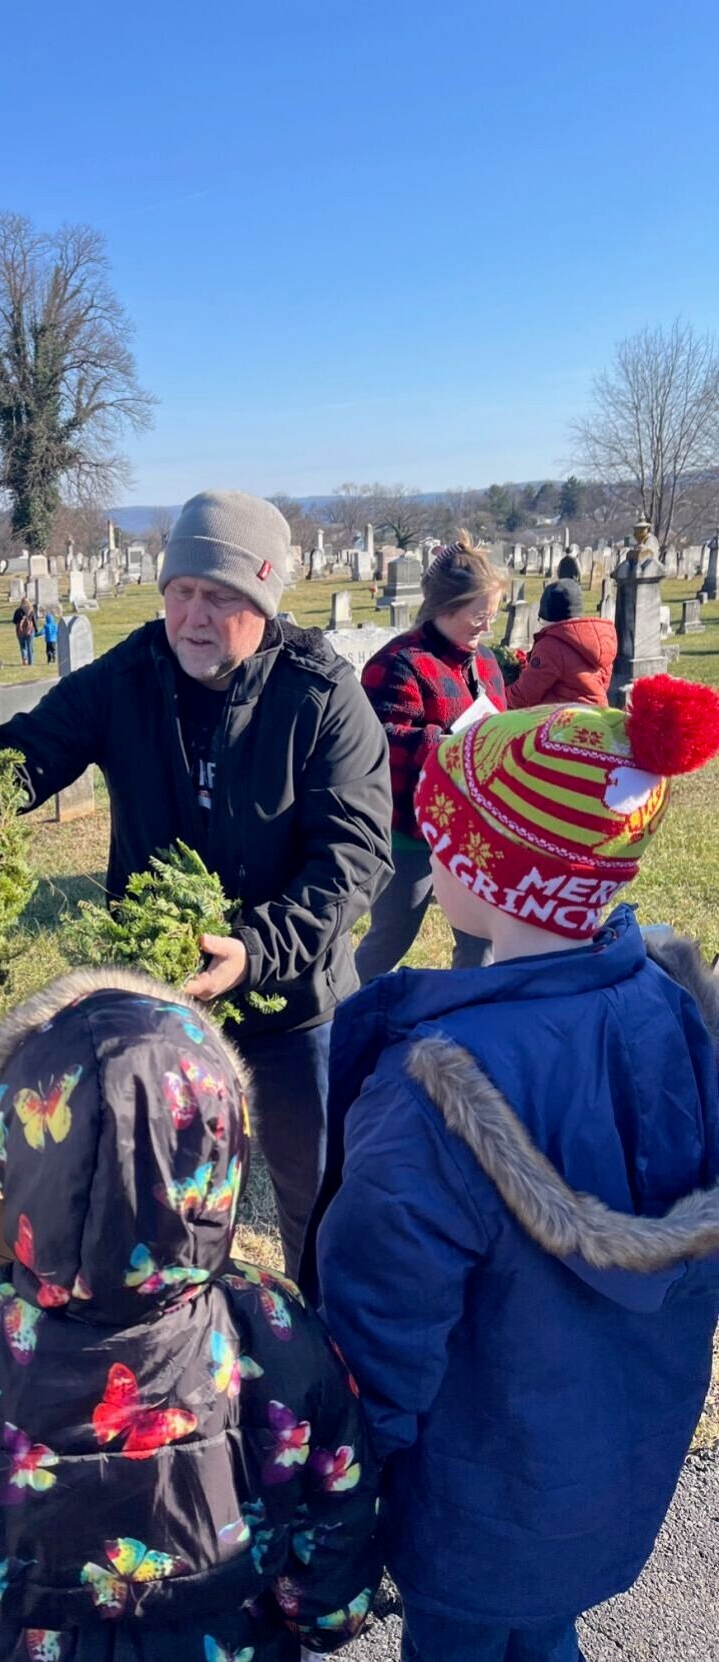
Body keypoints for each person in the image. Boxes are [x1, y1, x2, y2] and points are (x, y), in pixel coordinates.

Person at [315, 677, 719, 1662]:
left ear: (487, 868)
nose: (433, 844)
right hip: (607, 1476)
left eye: (446, 832)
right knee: (541, 1632)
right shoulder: (673, 1015)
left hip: (469, 1501)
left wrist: (333, 1511)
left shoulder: (433, 1093)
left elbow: (376, 1341)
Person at [0, 491, 392, 1281]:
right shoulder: (129, 678)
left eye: (221, 596)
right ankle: (181, 1337)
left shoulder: (320, 697)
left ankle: (314, 1345)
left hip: (290, 1003)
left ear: (265, 601)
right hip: (160, 999)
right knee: (167, 1189)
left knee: (315, 1192)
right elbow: (34, 751)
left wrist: (255, 949)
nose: (193, 616)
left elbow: (355, 857)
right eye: (181, 591)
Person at [0, 969, 381, 1660]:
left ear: (14, 1148)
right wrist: (319, 1620)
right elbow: (335, 1531)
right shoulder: (273, 1324)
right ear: (220, 1147)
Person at [355, 531, 507, 983]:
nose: (485, 628)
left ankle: (471, 1008)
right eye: (478, 617)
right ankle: (341, 1015)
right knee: (392, 936)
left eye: (492, 618)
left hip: (470, 824)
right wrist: (451, 746)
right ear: (444, 606)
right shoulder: (401, 661)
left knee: (481, 938)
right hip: (410, 830)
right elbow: (375, 742)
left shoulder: (486, 662)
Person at [506, 579, 616, 710]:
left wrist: (499, 696)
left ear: (548, 617)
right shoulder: (599, 641)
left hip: (566, 721)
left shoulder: (550, 646)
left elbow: (525, 694)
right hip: (597, 715)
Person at [12, 596, 38, 666]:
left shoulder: (18, 611)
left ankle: (25, 659)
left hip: (20, 631)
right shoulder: (31, 610)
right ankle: (31, 662)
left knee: (23, 646)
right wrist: (36, 629)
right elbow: (34, 621)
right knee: (30, 646)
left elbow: (14, 621)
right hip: (30, 631)